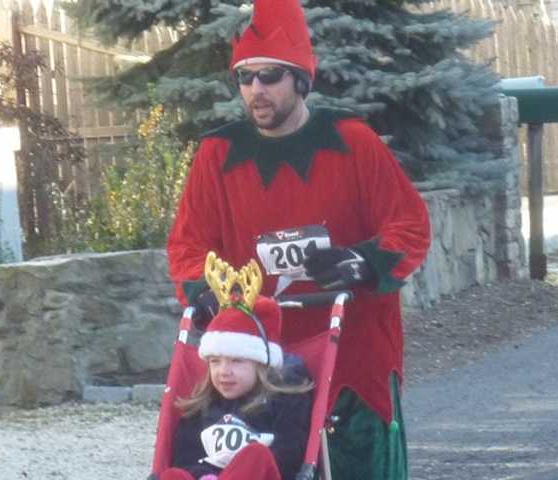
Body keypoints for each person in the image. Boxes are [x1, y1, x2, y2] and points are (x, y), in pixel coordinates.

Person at [166, 0, 431, 477]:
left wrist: (364, 261)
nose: (256, 90)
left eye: (270, 76)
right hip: (255, 354)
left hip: (352, 343)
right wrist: (200, 288)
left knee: (360, 460)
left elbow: (408, 225)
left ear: (300, 80)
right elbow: (187, 245)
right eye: (245, 78)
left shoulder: (353, 141)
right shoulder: (216, 154)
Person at [162, 254, 314, 480]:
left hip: (260, 473)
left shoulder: (285, 400)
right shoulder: (202, 406)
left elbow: (289, 456)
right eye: (215, 361)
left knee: (255, 456)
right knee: (173, 475)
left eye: (236, 361)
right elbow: (186, 457)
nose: (224, 371)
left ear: (261, 365)